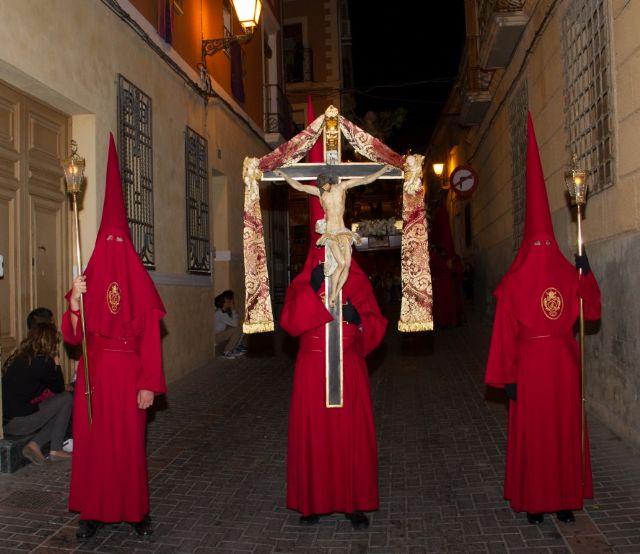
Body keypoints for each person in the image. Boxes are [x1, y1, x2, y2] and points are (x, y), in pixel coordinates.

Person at [484, 114, 601, 525]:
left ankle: (557, 499)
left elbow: (590, 310)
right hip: (547, 366)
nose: (541, 246)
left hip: (549, 366)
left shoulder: (529, 276)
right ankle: (544, 500)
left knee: (554, 433)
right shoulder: (548, 274)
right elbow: (591, 309)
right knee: (547, 434)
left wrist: (586, 271)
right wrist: (583, 273)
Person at [61, 134, 166, 540]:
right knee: (94, 447)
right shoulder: (87, 282)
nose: (113, 246)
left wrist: (148, 386)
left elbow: (152, 341)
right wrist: (74, 301)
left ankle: (135, 511)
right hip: (94, 376)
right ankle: (92, 512)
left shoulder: (139, 284)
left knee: (128, 448)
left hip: (129, 377)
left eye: (119, 241)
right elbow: (73, 338)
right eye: (108, 241)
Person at [280, 193, 387, 530]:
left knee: (350, 436)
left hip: (349, 367)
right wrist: (312, 291)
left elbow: (377, 326)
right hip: (312, 369)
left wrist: (358, 320)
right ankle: (313, 502)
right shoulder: (302, 281)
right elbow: (290, 323)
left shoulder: (356, 278)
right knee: (314, 436)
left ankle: (354, 502)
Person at [275, 164, 394, 306]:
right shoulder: (320, 193)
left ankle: (336, 293)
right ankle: (333, 295)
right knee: (341, 263)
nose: (323, 188)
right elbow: (300, 187)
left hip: (342, 231)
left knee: (347, 265)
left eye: (324, 185)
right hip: (331, 233)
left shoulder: (342, 187)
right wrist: (284, 175)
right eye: (321, 186)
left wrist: (382, 171)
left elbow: (365, 180)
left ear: (329, 182)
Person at [2, 322, 73, 465]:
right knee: (67, 399)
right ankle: (55, 449)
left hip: (7, 422)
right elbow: (59, 388)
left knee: (58, 405)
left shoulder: (17, 357)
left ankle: (35, 445)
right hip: (20, 424)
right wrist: (57, 362)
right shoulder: (43, 362)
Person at [214, 290, 246, 359]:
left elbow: (233, 322)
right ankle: (227, 351)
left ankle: (234, 349)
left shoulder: (222, 312)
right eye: (227, 302)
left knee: (241, 327)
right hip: (216, 337)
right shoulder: (220, 313)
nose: (230, 303)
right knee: (238, 329)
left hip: (220, 333)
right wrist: (233, 309)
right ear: (223, 303)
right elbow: (235, 324)